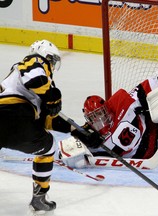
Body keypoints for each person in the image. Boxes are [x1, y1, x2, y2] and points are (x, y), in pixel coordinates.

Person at [0, 39, 100, 214]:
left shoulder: (30, 85)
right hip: (14, 116)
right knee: (49, 146)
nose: (52, 65)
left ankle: (40, 199)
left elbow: (47, 120)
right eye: (52, 60)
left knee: (46, 143)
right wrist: (51, 95)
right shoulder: (34, 62)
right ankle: (39, 198)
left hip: (14, 120)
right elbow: (36, 78)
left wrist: (79, 131)